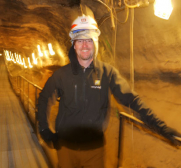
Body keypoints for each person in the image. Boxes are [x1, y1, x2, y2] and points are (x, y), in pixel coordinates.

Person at [37, 15, 181, 168]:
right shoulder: (61, 75)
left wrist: (161, 127)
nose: (85, 45)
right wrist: (45, 130)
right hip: (65, 148)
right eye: (80, 40)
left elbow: (131, 100)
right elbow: (44, 98)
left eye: (89, 39)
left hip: (95, 151)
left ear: (96, 43)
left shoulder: (107, 73)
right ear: (73, 44)